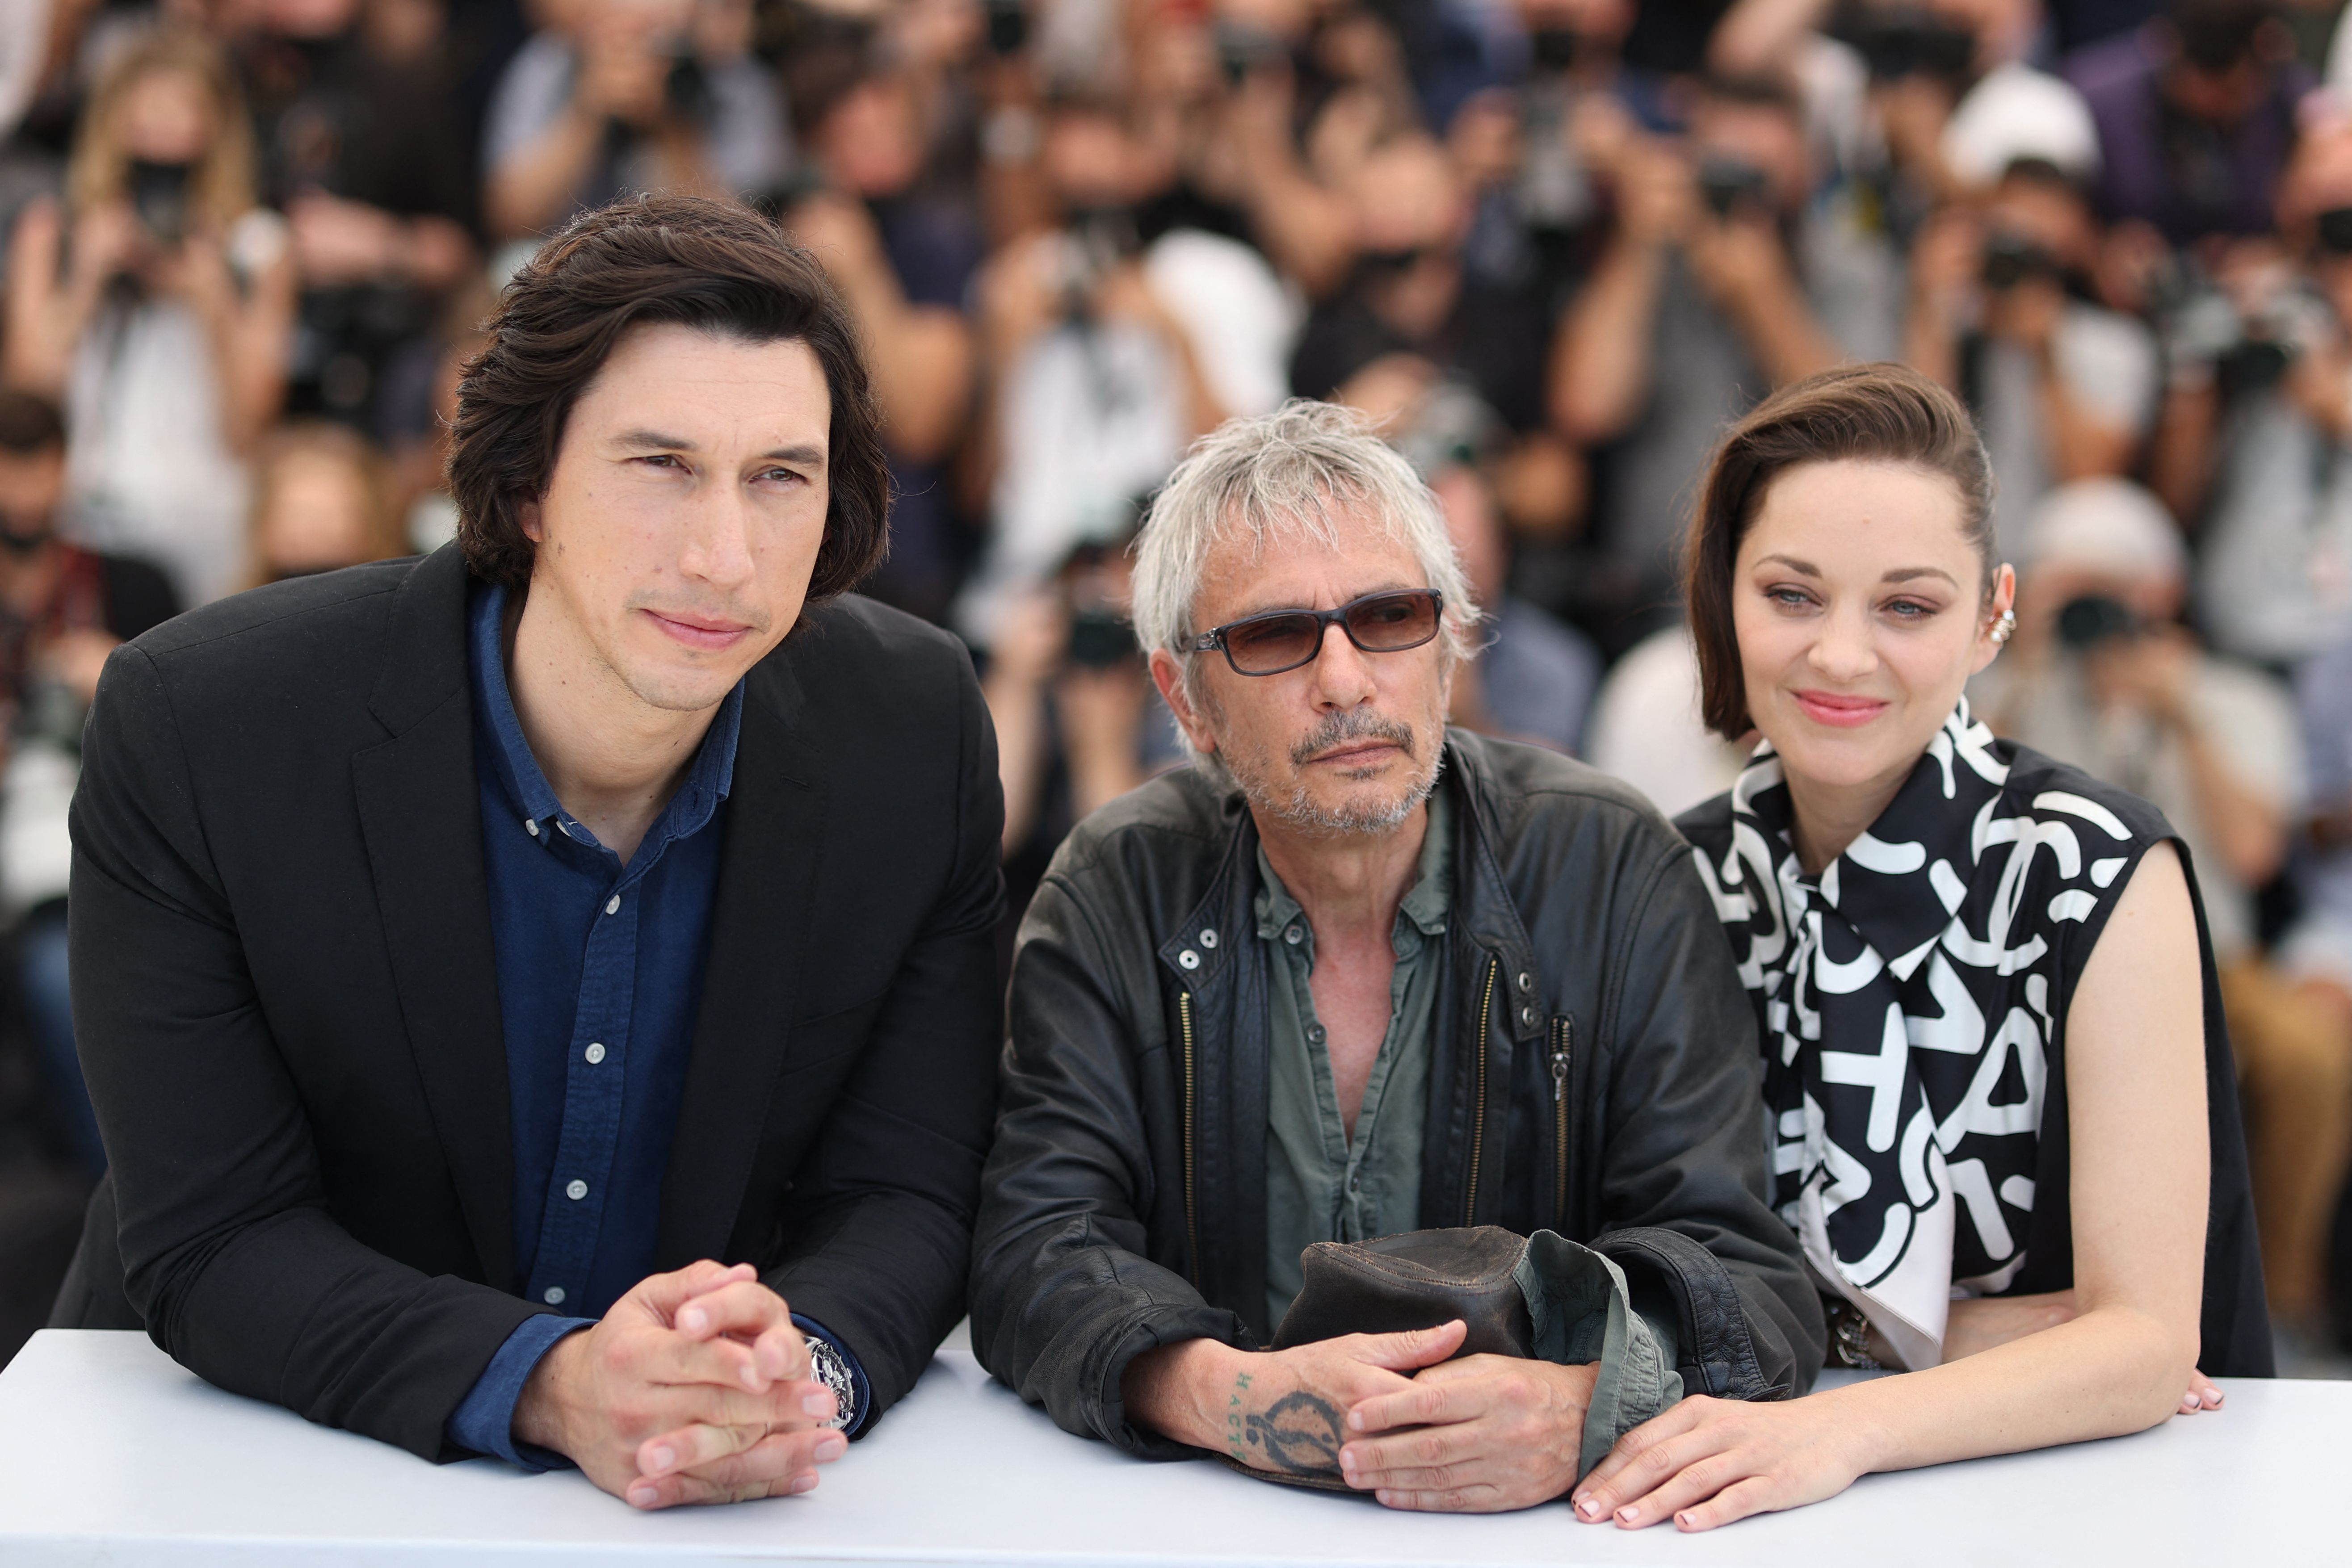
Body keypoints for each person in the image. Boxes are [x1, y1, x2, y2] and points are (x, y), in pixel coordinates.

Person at [47, 193, 1006, 1510]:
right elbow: (220, 1235)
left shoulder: (915, 727)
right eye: (661, 463)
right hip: (246, 1454)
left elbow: (906, 1189)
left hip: (696, 1498)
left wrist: (801, 1367)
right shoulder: (205, 726)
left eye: (780, 476)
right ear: (527, 484)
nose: (725, 553)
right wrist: (555, 1382)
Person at [971, 400, 1823, 1512]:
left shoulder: (1612, 867)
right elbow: (1035, 1243)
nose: (1344, 679)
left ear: (1450, 635)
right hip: (1205, 1523)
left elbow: (1741, 1272)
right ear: (1186, 696)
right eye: (1274, 636)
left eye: (1389, 616)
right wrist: (1227, 1393)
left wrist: (1580, 1402)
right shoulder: (1114, 885)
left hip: (1542, 1534)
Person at [1569, 363, 2269, 1534]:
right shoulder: (1677, 874)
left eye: (1907, 605)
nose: (1842, 656)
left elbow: (2147, 1342)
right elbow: (1630, 1273)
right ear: (1723, 595)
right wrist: (1912, 1327)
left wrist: (1837, 1415)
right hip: (1744, 1492)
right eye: (1793, 594)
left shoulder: (2094, 866)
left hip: (2084, 1499)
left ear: (1994, 611)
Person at [1971, 478, 2347, 1334]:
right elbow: (1967, 809)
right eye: (2079, 587)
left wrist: (2179, 712)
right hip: (2044, 965)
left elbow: (2255, 851)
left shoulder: (2229, 694)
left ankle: (2279, 1301)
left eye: (2115, 586)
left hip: (2221, 958)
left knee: (2309, 1062)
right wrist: (2025, 662)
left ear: (2164, 591)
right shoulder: (2020, 697)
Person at [1, 22, 297, 607]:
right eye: (144, 122)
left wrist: (210, 301)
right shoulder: (56, 232)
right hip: (80, 515)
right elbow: (27, 404)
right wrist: (86, 281)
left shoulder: (257, 248)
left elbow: (249, 430)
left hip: (203, 521)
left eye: (181, 120)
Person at [0, 388, 179, 1182]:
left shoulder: (129, 583)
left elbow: (193, 739)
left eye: (38, 468)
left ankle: (117, 1200)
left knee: (59, 972)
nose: (24, 494)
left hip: (92, 842)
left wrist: (117, 675)